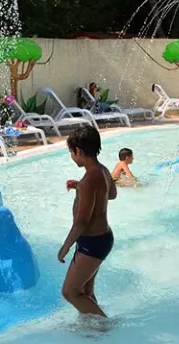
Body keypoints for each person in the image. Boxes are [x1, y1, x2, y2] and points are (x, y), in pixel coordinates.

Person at [59, 126, 116, 318]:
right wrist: (81, 188)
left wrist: (65, 247)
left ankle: (107, 327)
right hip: (101, 238)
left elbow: (81, 222)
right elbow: (112, 194)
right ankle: (93, 328)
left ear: (78, 151)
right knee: (85, 291)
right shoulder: (102, 170)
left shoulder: (89, 179)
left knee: (70, 292)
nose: (71, 156)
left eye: (71, 152)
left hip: (92, 243)